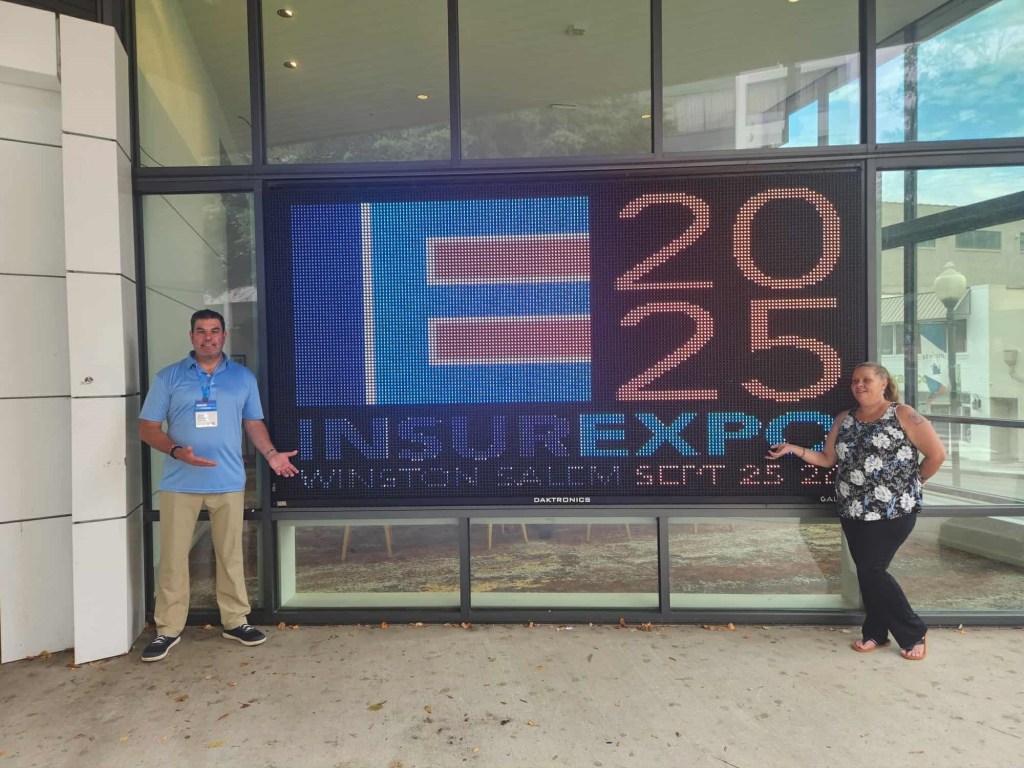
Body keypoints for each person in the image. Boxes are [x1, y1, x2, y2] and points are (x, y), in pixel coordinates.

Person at [138, 309, 298, 662]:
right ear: (191, 336)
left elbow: (253, 423)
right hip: (180, 483)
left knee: (230, 555)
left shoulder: (242, 378)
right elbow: (147, 428)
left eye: (214, 331)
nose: (208, 337)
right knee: (173, 559)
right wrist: (178, 451)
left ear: (224, 336)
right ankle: (168, 628)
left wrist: (271, 455)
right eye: (201, 331)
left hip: (228, 481)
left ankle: (235, 620)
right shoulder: (168, 378)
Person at [766, 362, 945, 661]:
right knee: (867, 572)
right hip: (852, 509)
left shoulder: (902, 414)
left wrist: (916, 482)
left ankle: (913, 630)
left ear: (883, 382)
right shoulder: (844, 419)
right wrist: (794, 449)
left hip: (894, 511)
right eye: (854, 381)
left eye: (866, 380)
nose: (858, 385)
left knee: (873, 569)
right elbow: (827, 459)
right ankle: (875, 632)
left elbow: (937, 454)